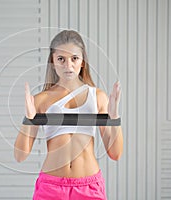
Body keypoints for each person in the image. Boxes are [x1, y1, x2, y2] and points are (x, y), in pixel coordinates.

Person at [14, 30, 123, 200]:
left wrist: (114, 117)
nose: (68, 65)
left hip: (89, 188)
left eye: (74, 59)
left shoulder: (98, 97)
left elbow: (115, 154)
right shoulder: (40, 100)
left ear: (82, 62)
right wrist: (29, 118)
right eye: (61, 59)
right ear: (52, 61)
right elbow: (20, 156)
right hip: (51, 188)